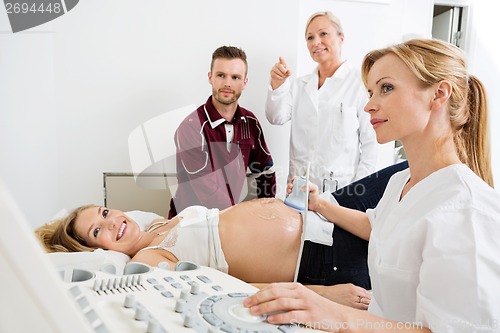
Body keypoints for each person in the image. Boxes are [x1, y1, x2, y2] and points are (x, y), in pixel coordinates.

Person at [244, 38, 500, 333]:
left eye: (386, 88)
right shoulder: (400, 182)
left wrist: (332, 312)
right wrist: (321, 205)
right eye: (370, 92)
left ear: (438, 94)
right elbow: (379, 226)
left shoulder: (468, 210)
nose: (368, 105)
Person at [35, 162, 408, 310]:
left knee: (419, 167)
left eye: (103, 213)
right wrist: (323, 295)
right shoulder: (147, 262)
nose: (112, 222)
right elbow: (224, 290)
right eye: (97, 232)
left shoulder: (153, 226)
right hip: (323, 258)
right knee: (417, 252)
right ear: (94, 248)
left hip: (326, 210)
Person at [266, 11, 378, 192]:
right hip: (298, 189)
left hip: (341, 191)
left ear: (341, 38)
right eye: (310, 37)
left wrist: (358, 191)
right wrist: (278, 85)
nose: (315, 42)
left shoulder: (360, 84)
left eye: (323, 34)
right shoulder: (300, 86)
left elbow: (370, 145)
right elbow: (275, 117)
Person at [168, 46, 276, 218]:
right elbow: (207, 191)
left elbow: (264, 171)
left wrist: (268, 211)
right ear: (210, 78)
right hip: (191, 224)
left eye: (235, 77)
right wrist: (243, 218)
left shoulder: (250, 122)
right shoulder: (191, 127)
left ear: (244, 82)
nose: (227, 83)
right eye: (221, 75)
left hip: (229, 222)